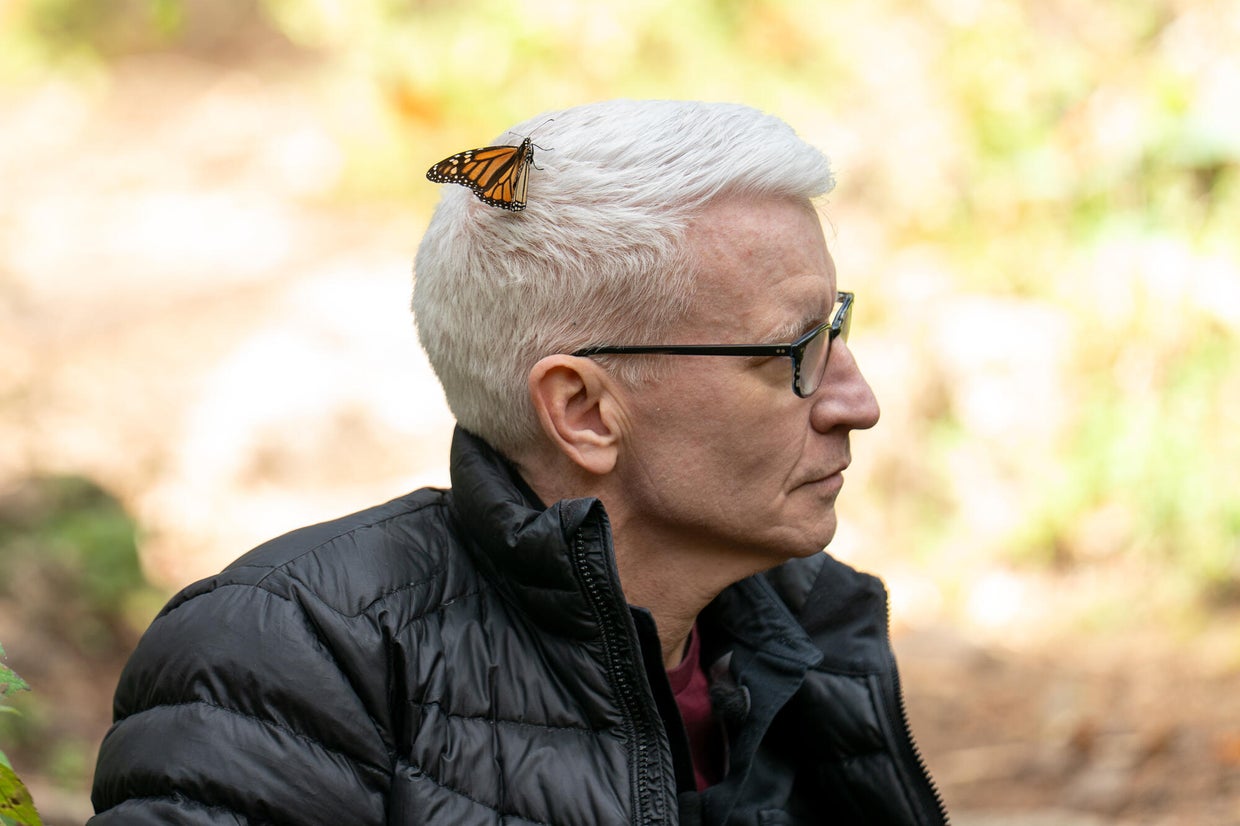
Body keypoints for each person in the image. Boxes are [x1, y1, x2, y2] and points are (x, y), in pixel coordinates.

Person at [90, 99, 947, 825]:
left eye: (834, 328)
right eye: (790, 351)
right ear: (583, 412)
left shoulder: (811, 632)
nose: (857, 402)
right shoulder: (291, 660)